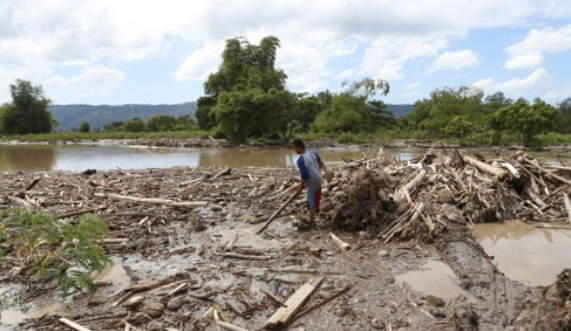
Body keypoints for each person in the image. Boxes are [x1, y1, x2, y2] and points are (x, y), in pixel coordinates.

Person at [292, 139, 328, 227]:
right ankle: (317, 209)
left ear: (299, 148)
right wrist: (319, 171)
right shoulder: (313, 153)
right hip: (320, 179)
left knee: (310, 201)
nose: (294, 150)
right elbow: (321, 163)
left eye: (295, 148)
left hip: (312, 182)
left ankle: (311, 222)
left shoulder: (300, 160)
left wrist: (300, 188)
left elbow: (305, 177)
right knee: (317, 194)